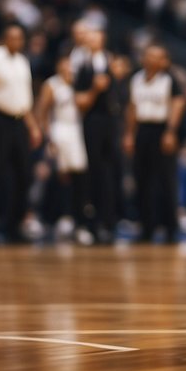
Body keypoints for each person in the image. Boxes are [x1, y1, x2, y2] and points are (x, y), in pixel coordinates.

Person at [0, 24, 42, 245]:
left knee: (24, 175)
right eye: (12, 37)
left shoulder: (22, 61)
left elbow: (25, 98)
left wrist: (32, 126)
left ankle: (14, 225)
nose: (17, 41)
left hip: (20, 120)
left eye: (20, 38)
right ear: (4, 39)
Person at [123, 45, 185, 243]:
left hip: (161, 129)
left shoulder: (169, 80)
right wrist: (129, 134)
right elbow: (131, 108)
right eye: (149, 55)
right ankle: (146, 227)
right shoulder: (136, 79)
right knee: (142, 179)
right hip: (142, 130)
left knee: (166, 180)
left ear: (164, 60)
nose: (152, 59)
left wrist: (171, 131)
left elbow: (177, 104)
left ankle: (170, 228)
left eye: (157, 56)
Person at [38, 54, 91, 244]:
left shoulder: (77, 85)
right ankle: (56, 217)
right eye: (65, 65)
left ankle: (76, 219)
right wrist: (47, 137)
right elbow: (42, 111)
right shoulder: (52, 85)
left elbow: (85, 105)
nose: (69, 69)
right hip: (58, 129)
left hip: (75, 130)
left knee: (79, 174)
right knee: (61, 175)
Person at [73, 27, 117, 243]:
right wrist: (95, 89)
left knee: (110, 171)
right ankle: (91, 222)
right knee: (93, 169)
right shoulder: (83, 67)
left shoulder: (112, 63)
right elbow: (80, 101)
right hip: (92, 122)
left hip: (110, 122)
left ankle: (108, 221)